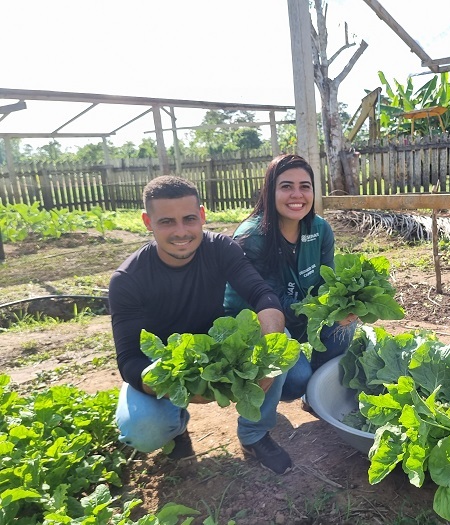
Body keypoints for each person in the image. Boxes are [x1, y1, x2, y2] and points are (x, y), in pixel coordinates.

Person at [109, 175, 294, 475]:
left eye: (190, 219)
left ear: (203, 216)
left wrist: (269, 349)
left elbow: (262, 295)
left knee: (279, 338)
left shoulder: (220, 248)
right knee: (142, 429)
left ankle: (254, 433)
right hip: (166, 365)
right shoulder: (127, 279)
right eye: (167, 221)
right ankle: (176, 427)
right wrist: (180, 392)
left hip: (215, 346)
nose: (181, 231)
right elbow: (130, 362)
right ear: (147, 221)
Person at [223, 154, 357, 404]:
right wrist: (324, 314)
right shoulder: (252, 236)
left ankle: (317, 396)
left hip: (298, 317)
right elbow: (270, 301)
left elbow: (326, 284)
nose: (297, 195)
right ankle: (264, 390)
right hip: (260, 323)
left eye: (304, 187)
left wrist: (342, 307)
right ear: (269, 191)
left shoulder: (320, 229)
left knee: (346, 323)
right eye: (286, 186)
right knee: (296, 381)